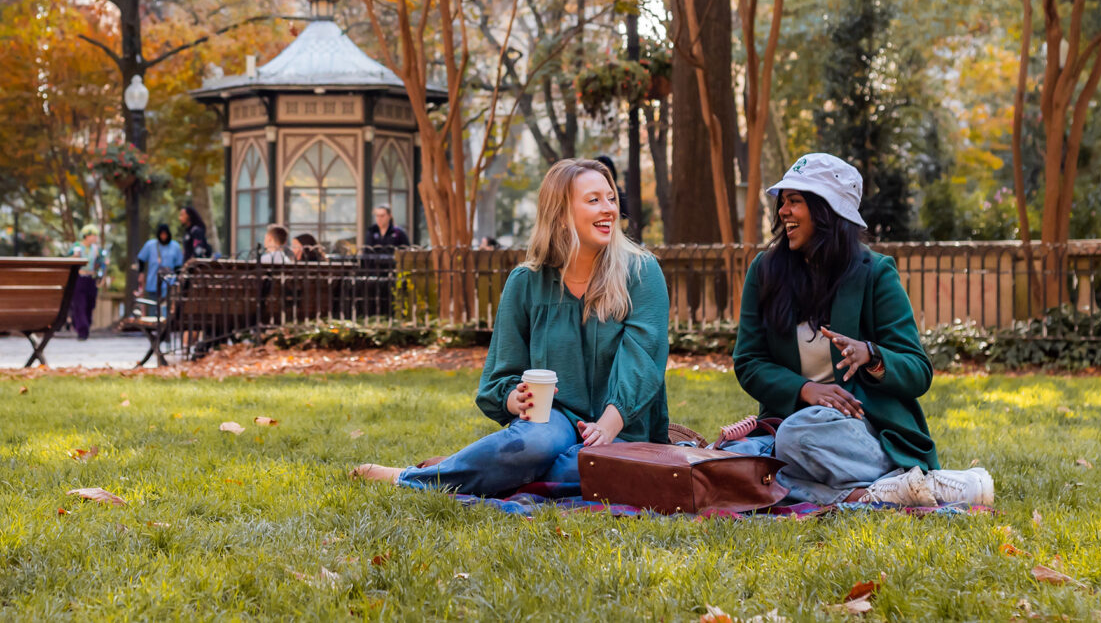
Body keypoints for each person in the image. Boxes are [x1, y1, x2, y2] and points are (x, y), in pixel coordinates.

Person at [353, 158, 670, 496]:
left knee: (586, 465)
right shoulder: (526, 282)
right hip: (553, 420)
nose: (608, 209)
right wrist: (514, 401)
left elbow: (642, 361)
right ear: (561, 214)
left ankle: (479, 470)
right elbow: (499, 378)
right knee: (530, 448)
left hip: (623, 427)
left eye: (610, 199)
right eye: (593, 200)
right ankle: (416, 478)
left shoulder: (641, 272)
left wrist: (606, 428)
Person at [725, 153, 993, 507]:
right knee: (747, 466)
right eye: (783, 202)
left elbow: (917, 370)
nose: (782, 212)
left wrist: (872, 355)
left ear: (826, 210)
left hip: (863, 430)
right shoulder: (765, 271)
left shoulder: (875, 272)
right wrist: (805, 390)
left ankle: (885, 477)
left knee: (790, 448)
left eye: (795, 201)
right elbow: (749, 361)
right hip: (796, 425)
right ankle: (890, 490)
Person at [67, 224, 107, 340]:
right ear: (86, 236)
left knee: (90, 304)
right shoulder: (76, 246)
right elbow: (66, 259)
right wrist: (74, 257)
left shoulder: (97, 249)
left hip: (91, 279)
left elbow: (101, 264)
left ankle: (85, 327)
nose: (95, 238)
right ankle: (82, 330)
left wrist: (102, 269)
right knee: (79, 305)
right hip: (79, 278)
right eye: (93, 235)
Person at [135, 223, 184, 302]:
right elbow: (141, 259)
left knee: (166, 306)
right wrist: (141, 273)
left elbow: (178, 265)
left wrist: (177, 279)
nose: (163, 236)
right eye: (162, 234)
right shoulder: (150, 245)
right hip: (153, 282)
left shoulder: (175, 246)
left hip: (169, 283)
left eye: (165, 234)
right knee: (153, 305)